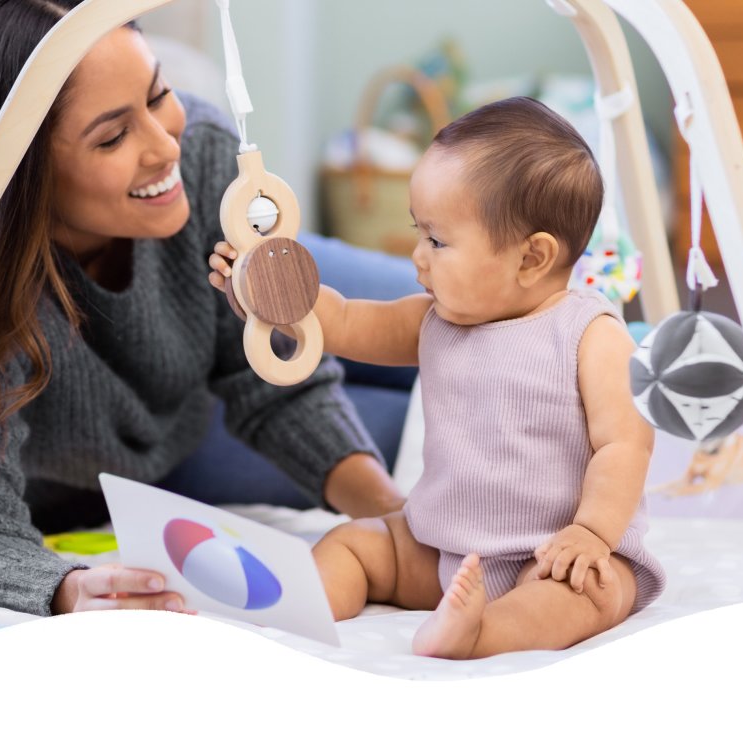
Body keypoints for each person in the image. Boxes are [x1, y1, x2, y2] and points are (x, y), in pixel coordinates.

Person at [0, 0, 406, 620]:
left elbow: (277, 384)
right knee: (422, 420)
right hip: (141, 466)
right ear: (20, 177)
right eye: (113, 136)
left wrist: (395, 520)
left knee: (464, 322)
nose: (165, 144)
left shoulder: (199, 156)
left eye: (159, 94)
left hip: (199, 382)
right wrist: (68, 588)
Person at [210, 97, 666, 659]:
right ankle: (298, 608)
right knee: (354, 544)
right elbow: (345, 320)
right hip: (440, 547)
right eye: (418, 232)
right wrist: (268, 295)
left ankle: (481, 634)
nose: (417, 255)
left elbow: (625, 442)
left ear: (532, 259)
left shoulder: (589, 334)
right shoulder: (435, 318)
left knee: (588, 595)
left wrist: (593, 533)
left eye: (438, 240)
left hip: (552, 554)